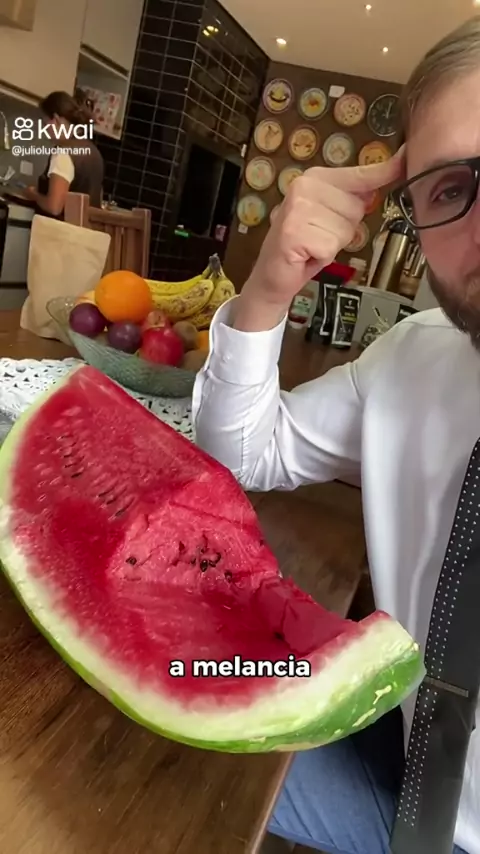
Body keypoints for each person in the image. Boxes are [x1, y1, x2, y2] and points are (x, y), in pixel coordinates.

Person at [191, 16, 480, 854]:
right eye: (452, 189)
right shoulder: (415, 359)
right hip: (395, 735)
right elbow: (243, 452)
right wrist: (269, 285)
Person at [25, 90, 104, 219]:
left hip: (60, 230)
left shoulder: (63, 152)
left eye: (45, 124)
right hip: (87, 230)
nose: (44, 130)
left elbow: (54, 207)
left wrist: (33, 194)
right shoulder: (94, 151)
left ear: (56, 120)